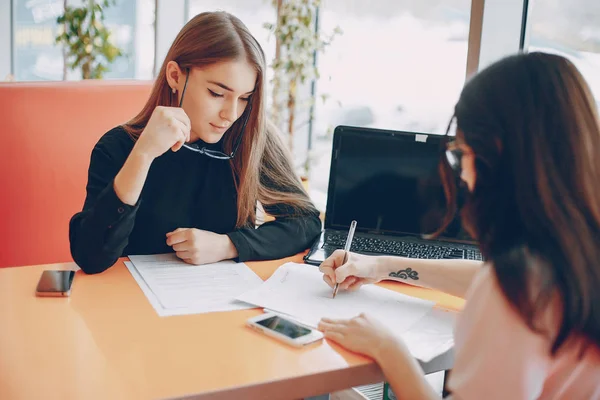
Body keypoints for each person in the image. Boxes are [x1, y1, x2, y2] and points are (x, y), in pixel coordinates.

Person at [319, 52, 600, 399]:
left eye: (462, 153)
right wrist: (380, 265)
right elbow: (486, 277)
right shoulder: (575, 254)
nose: (463, 175)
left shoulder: (516, 291)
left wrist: (387, 348)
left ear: (495, 154)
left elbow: (500, 288)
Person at [69, 11, 321, 274]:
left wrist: (228, 246)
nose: (231, 114)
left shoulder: (249, 138)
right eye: (217, 93)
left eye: (245, 98)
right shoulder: (117, 147)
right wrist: (142, 155)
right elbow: (91, 256)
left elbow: (306, 223)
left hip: (223, 302)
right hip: (134, 304)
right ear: (175, 76)